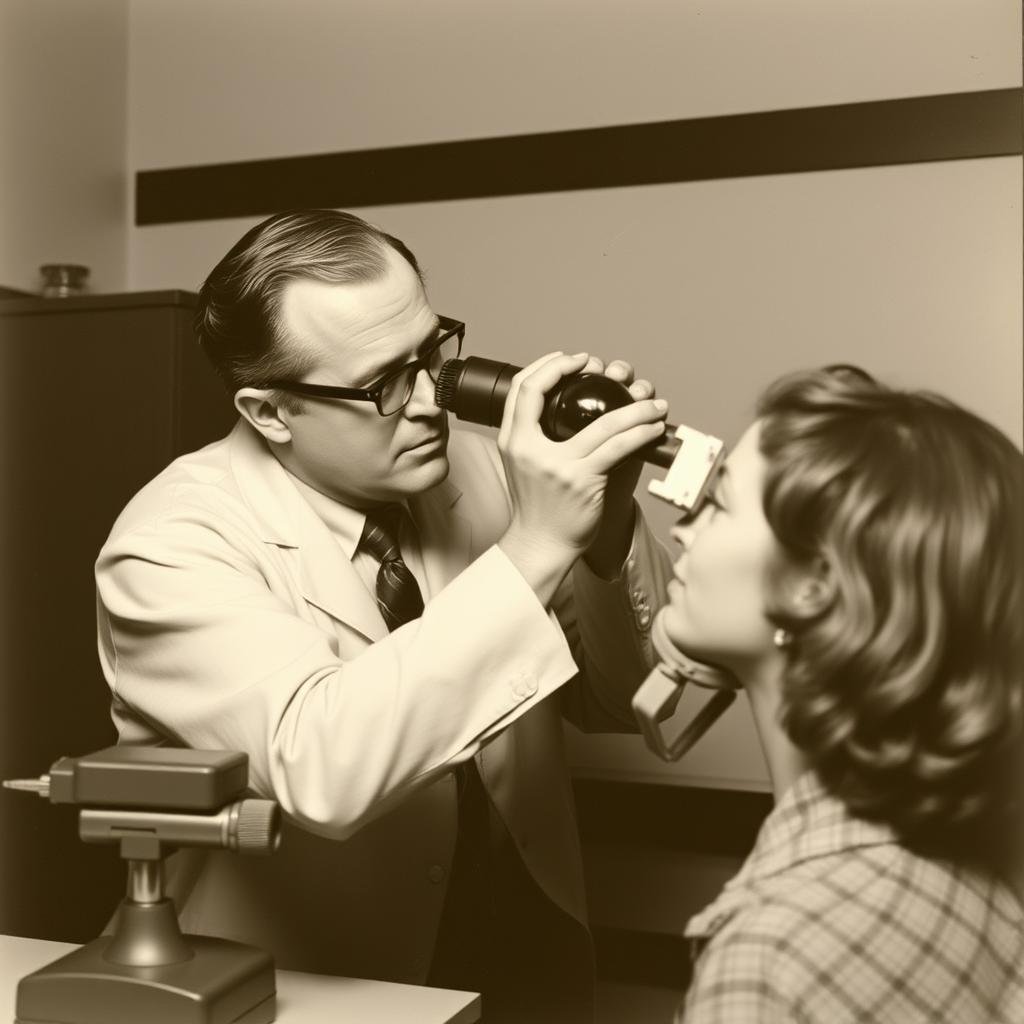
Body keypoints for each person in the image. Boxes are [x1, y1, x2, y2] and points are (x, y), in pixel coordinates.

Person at [95, 209, 673, 1022]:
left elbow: (631, 699)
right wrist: (537, 545)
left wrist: (607, 531)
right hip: (315, 981)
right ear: (270, 412)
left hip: (527, 948)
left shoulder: (489, 471)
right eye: (382, 386)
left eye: (432, 353)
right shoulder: (170, 544)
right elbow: (323, 774)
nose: (432, 402)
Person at [659, 366, 1024, 1023]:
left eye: (720, 504)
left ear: (815, 586)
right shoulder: (979, 863)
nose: (683, 530)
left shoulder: (769, 962)